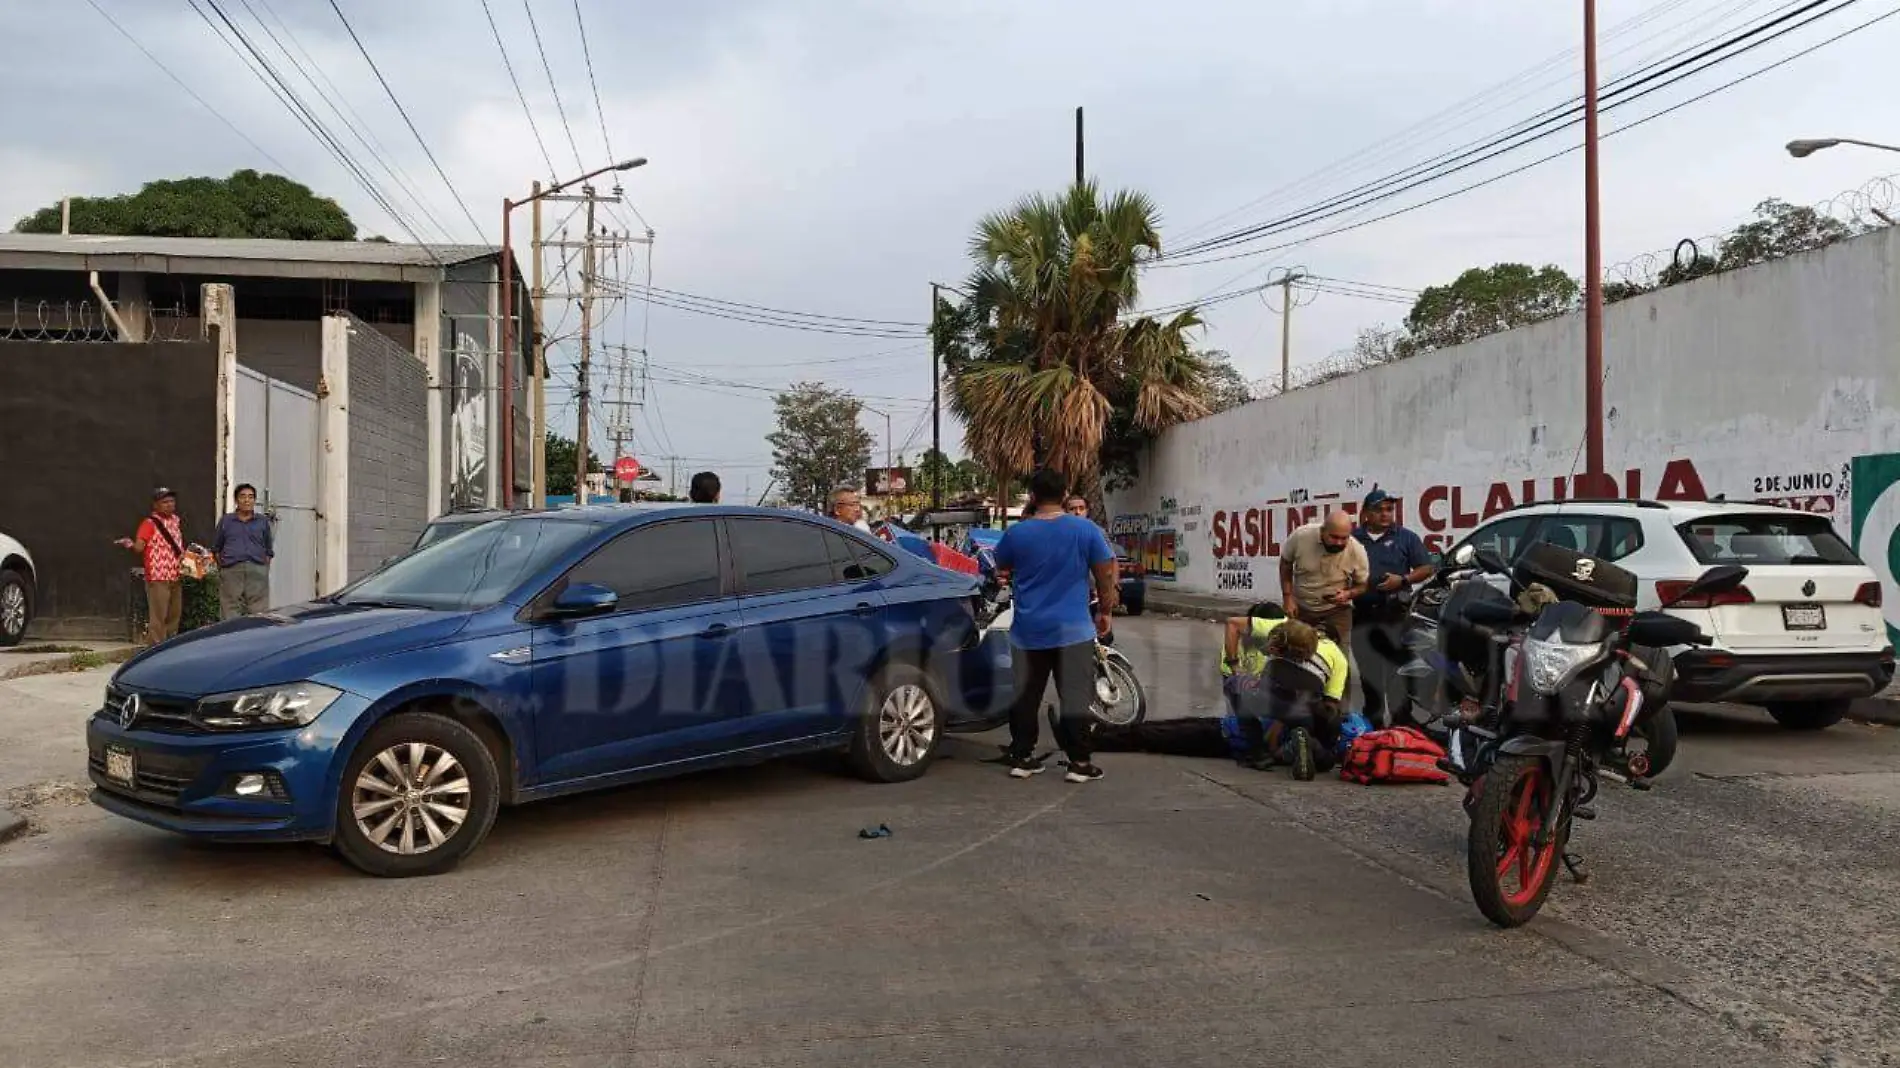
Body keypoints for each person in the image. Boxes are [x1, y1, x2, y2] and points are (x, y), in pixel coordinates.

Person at [993, 467, 1118, 783]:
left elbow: (1001, 563)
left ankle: (1022, 757)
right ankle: (1079, 763)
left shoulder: (1017, 533)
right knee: (1075, 697)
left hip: (1028, 631)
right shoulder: (1085, 530)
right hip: (1074, 630)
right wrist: (1105, 610)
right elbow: (1104, 573)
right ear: (1065, 495)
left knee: (1025, 697)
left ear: (1033, 497)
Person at [1222, 608, 1349, 774]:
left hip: (1269, 699)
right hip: (1305, 714)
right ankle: (1309, 745)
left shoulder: (1286, 631)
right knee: (1322, 755)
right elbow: (1331, 703)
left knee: (1234, 684)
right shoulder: (1338, 656)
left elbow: (1232, 623)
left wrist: (1235, 667)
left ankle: (1257, 753)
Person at [1352, 487, 1434, 727]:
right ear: (1366, 513)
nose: (1386, 514)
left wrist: (1404, 580)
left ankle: (1401, 725)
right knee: (1369, 673)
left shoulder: (1405, 537)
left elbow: (1426, 568)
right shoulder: (1354, 539)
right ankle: (1373, 725)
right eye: (1379, 510)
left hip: (1395, 615)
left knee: (1398, 673)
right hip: (1363, 615)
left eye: (1389, 509)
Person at [1279, 510, 1369, 704]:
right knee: (1296, 657)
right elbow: (1286, 564)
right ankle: (1294, 709)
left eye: (1343, 538)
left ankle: (1338, 713)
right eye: (1334, 537)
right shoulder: (1301, 536)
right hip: (1301, 609)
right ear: (1322, 531)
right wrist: (1288, 597)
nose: (1338, 542)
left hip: (1337, 612)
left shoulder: (1356, 550)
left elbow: (1362, 585)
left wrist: (1347, 594)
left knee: (1340, 661)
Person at [116, 487, 188, 644]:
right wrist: (129, 544)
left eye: (171, 501)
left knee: (174, 614)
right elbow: (139, 548)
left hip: (175, 574)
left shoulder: (175, 521)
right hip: (157, 576)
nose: (169, 505)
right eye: (165, 502)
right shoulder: (149, 524)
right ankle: (156, 647)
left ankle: (171, 644)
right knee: (159, 616)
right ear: (155, 505)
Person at [212, 483, 273, 620]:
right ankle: (232, 639)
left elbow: (268, 550)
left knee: (259, 611)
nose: (247, 500)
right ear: (236, 500)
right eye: (243, 497)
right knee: (230, 608)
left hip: (256, 569)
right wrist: (224, 568)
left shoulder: (262, 522)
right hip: (231, 569)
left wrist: (262, 568)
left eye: (251, 497)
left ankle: (257, 638)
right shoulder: (226, 521)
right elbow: (217, 548)